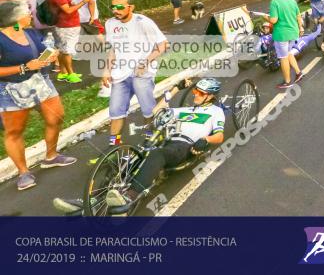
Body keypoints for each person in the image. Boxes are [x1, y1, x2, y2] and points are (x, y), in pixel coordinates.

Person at [52, 77, 225, 215]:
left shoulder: (215, 112)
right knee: (129, 159)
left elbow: (219, 135)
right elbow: (157, 110)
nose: (196, 95)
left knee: (158, 155)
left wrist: (206, 140)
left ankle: (130, 196)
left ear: (211, 96)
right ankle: (91, 201)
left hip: (186, 145)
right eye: (195, 91)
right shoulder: (184, 111)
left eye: (201, 93)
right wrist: (175, 89)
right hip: (168, 141)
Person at [0, 0, 75, 191]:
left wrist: (51, 54)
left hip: (41, 83)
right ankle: (23, 173)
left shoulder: (30, 32)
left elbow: (43, 51)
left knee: (56, 118)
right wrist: (24, 67)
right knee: (15, 131)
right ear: (15, 18)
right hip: (11, 90)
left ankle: (51, 156)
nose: (31, 15)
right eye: (27, 13)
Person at [103, 0, 169, 146]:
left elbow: (163, 45)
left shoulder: (143, 22)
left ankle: (150, 137)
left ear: (131, 7)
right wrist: (107, 70)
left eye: (119, 7)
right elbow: (113, 49)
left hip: (142, 74)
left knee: (148, 111)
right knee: (116, 112)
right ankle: (114, 145)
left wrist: (145, 63)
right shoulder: (110, 23)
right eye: (112, 7)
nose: (115, 10)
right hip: (120, 75)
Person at [47, 0, 93, 83]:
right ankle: (71, 73)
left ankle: (63, 73)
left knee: (64, 50)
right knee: (67, 51)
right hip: (66, 26)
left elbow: (69, 7)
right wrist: (84, 2)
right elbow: (68, 10)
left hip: (68, 25)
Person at [268, 0, 305, 89]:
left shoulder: (274, 2)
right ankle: (298, 73)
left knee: (283, 57)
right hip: (293, 32)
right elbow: (298, 15)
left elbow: (273, 20)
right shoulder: (292, 0)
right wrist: (300, 27)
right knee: (289, 53)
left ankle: (287, 82)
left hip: (281, 35)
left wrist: (267, 18)